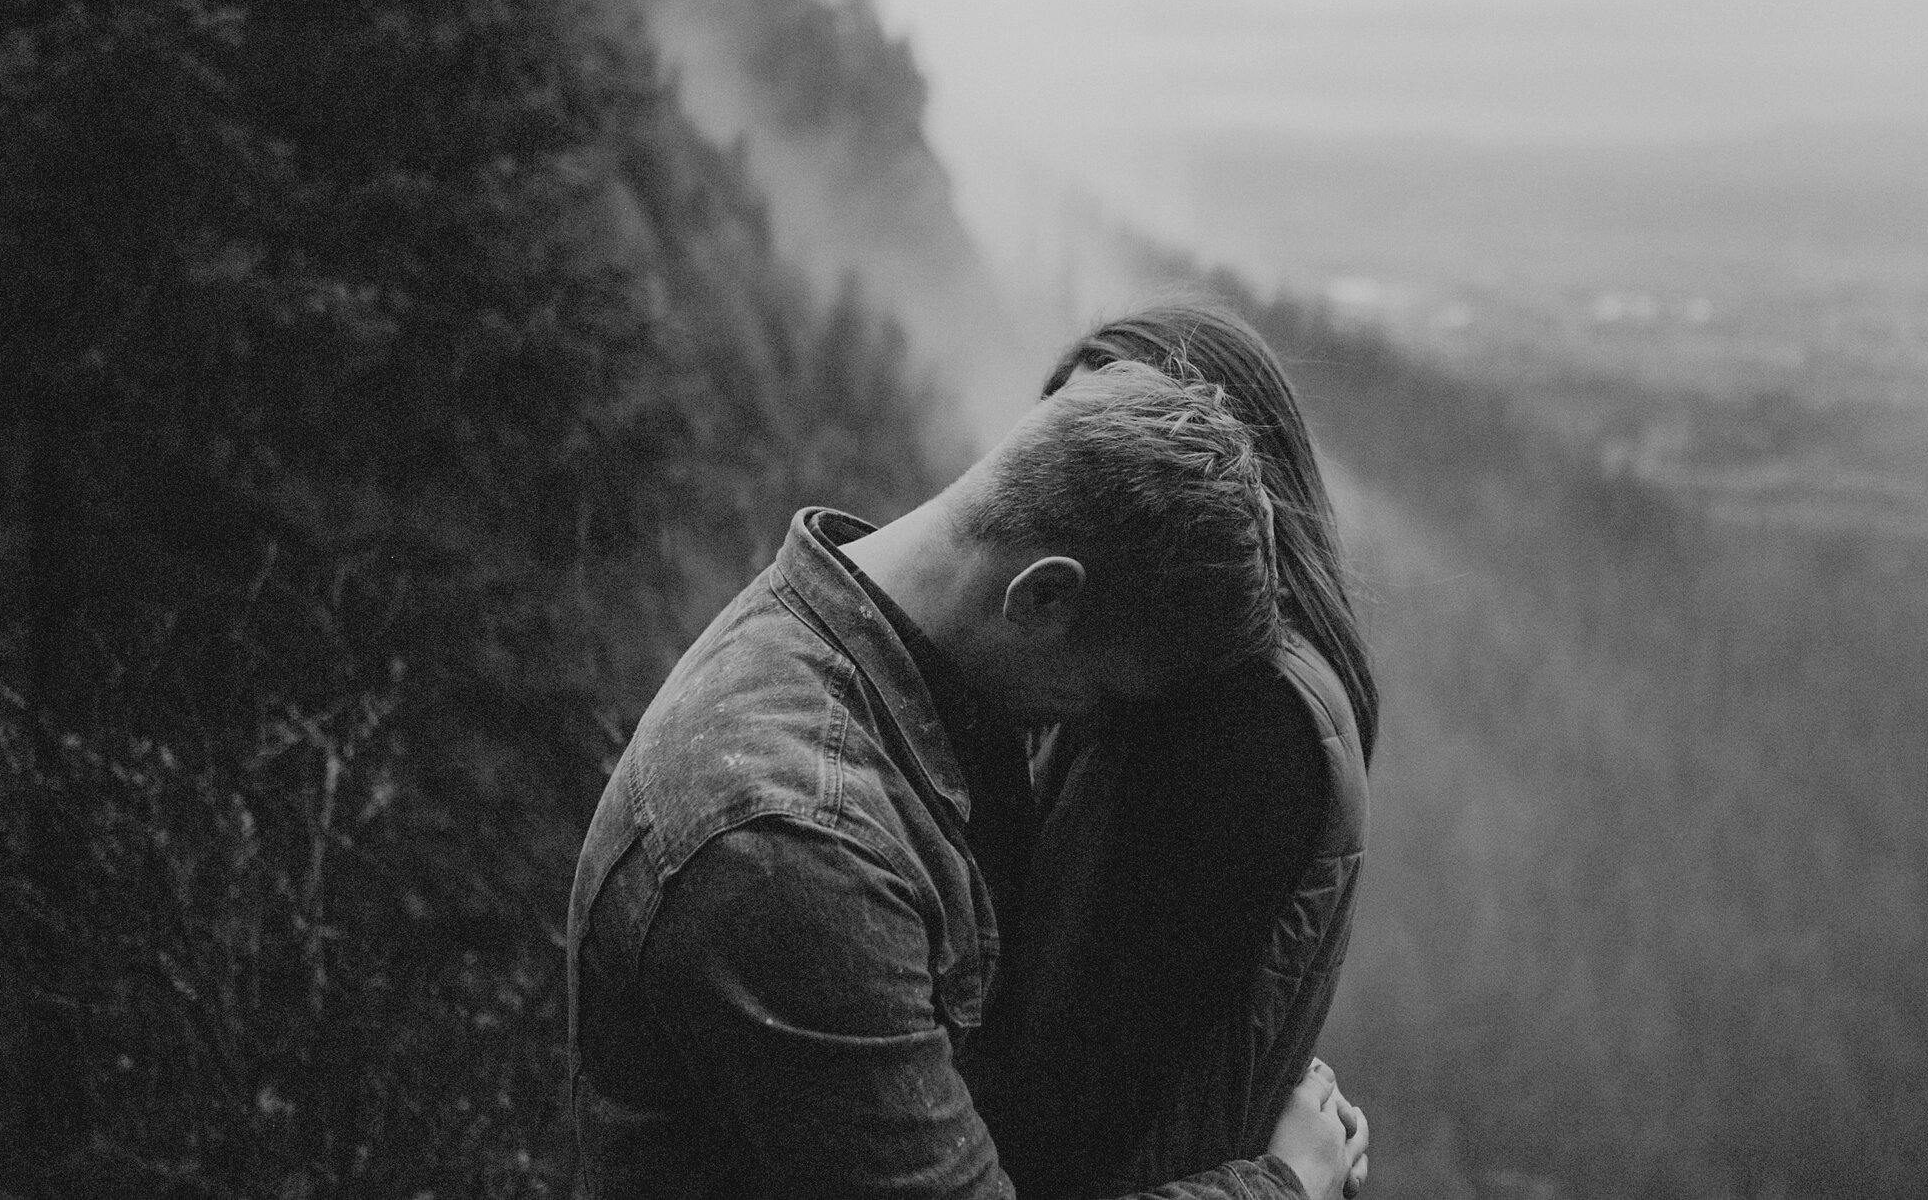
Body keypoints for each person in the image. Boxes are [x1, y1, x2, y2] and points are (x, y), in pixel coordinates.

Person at [566, 359, 1369, 1199]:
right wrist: (1284, 1183)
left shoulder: (888, 674)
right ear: (1044, 598)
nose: (1081, 730)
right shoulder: (801, 847)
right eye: (1098, 694)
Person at [965, 303, 1379, 1200]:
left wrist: (1283, 1180)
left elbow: (1077, 1104)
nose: (1071, 489)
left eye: (1115, 451)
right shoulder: (1173, 686)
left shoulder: (1242, 719)